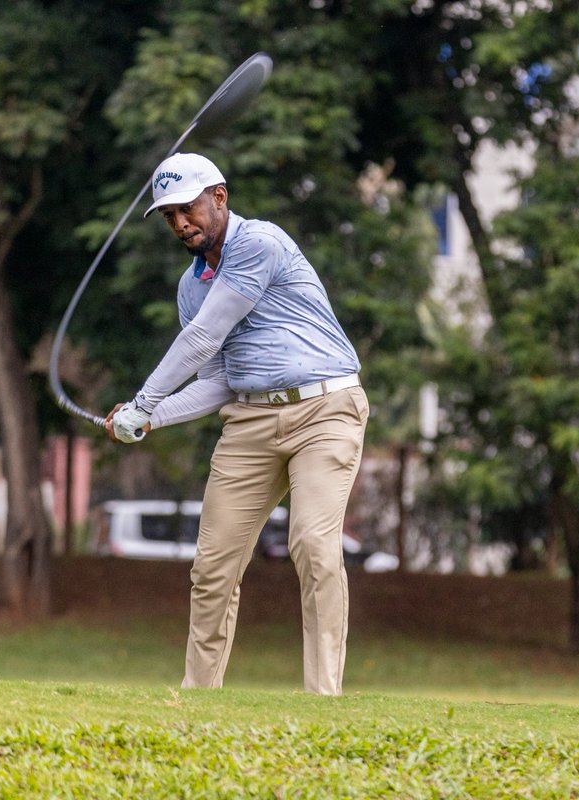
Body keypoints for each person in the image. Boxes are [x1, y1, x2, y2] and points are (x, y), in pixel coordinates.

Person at [104, 152, 368, 695]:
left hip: (325, 410)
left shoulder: (259, 243)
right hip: (249, 420)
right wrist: (149, 420)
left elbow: (201, 337)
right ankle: (199, 700)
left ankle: (324, 699)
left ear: (219, 197)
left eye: (188, 208)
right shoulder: (191, 286)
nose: (181, 223)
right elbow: (216, 381)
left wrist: (141, 401)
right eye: (170, 216)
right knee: (212, 567)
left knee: (314, 547)